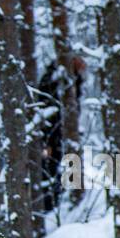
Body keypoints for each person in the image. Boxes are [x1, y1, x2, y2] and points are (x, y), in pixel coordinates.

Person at [34, 55, 86, 214]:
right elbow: (45, 110)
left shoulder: (73, 80)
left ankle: (66, 203)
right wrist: (46, 141)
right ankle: (50, 207)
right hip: (51, 136)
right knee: (50, 169)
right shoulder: (52, 80)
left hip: (65, 135)